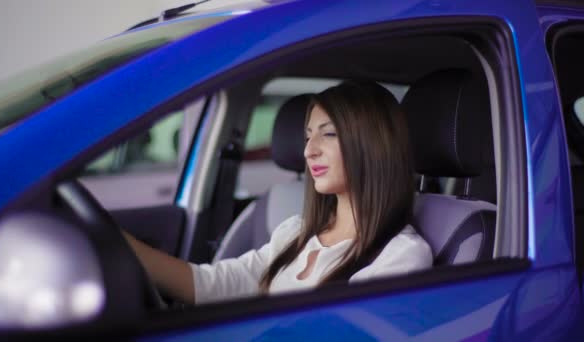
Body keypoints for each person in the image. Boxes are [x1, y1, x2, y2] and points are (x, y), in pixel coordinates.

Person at [123, 81, 433, 305]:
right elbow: (215, 283)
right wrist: (122, 246)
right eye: (308, 136)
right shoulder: (295, 231)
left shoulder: (401, 255)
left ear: (372, 145)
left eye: (328, 134)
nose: (309, 151)